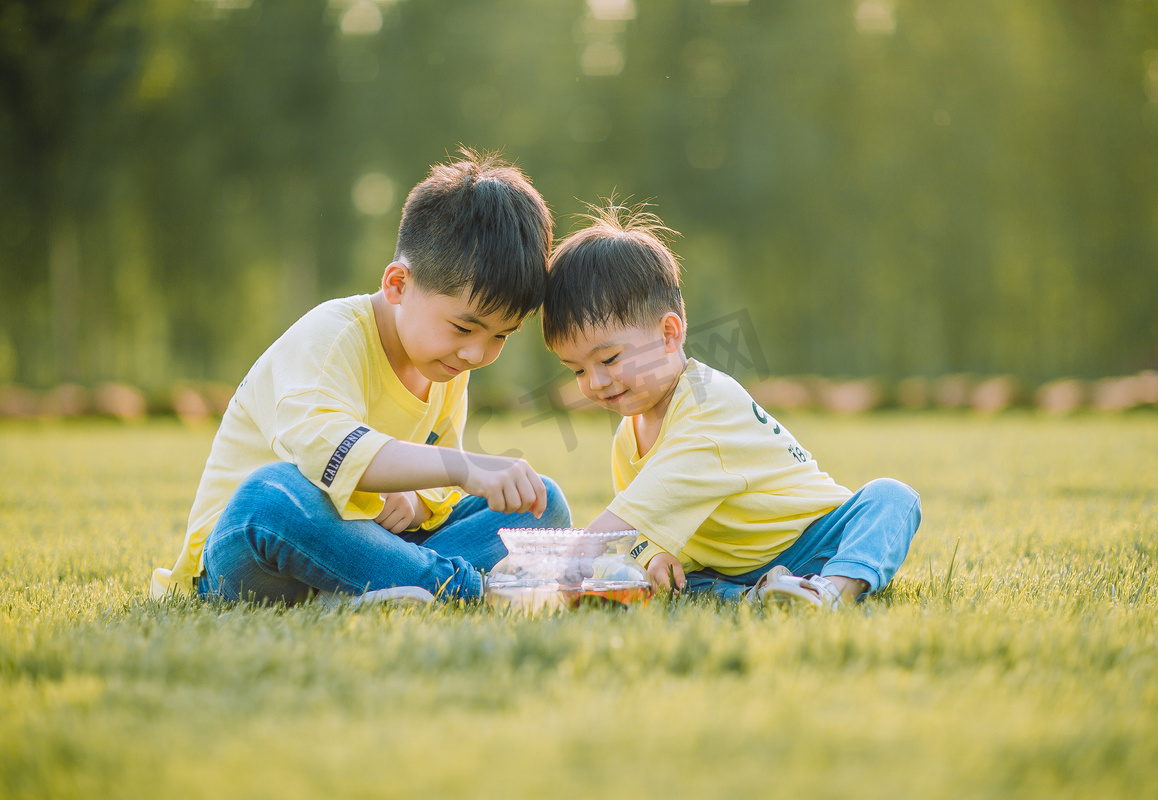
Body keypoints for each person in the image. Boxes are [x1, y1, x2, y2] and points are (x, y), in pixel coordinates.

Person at [150, 149, 571, 605]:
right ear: (397, 285)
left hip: (361, 544)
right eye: (464, 327)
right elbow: (329, 453)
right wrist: (466, 468)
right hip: (251, 555)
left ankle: (367, 589)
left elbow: (438, 481)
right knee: (271, 496)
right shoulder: (330, 339)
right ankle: (464, 589)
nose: (476, 353)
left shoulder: (445, 363)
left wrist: (415, 502)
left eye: (500, 336)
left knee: (540, 503)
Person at [541, 202, 920, 609]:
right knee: (680, 581)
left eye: (609, 360)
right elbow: (642, 527)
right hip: (730, 566)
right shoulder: (627, 439)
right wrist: (653, 556)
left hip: (811, 538)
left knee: (891, 498)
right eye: (577, 370)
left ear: (669, 334)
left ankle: (831, 589)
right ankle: (758, 595)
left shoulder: (710, 400)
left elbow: (658, 489)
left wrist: (585, 545)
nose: (595, 383)